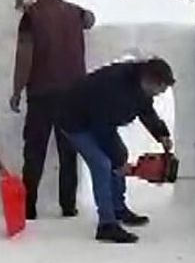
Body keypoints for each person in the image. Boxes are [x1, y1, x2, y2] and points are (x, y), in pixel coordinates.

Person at [9, 0, 97, 220]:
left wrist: (17, 90)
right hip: (74, 93)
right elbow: (90, 19)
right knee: (68, 151)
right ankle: (68, 205)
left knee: (35, 151)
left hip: (42, 94)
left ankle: (29, 207)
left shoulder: (31, 17)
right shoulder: (74, 13)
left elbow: (24, 57)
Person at [58, 58, 175, 244]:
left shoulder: (139, 85)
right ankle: (106, 224)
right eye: (160, 89)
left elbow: (145, 110)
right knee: (103, 164)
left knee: (118, 156)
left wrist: (161, 134)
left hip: (97, 121)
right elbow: (100, 127)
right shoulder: (116, 87)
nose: (160, 94)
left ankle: (118, 208)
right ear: (151, 80)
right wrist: (118, 162)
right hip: (74, 120)